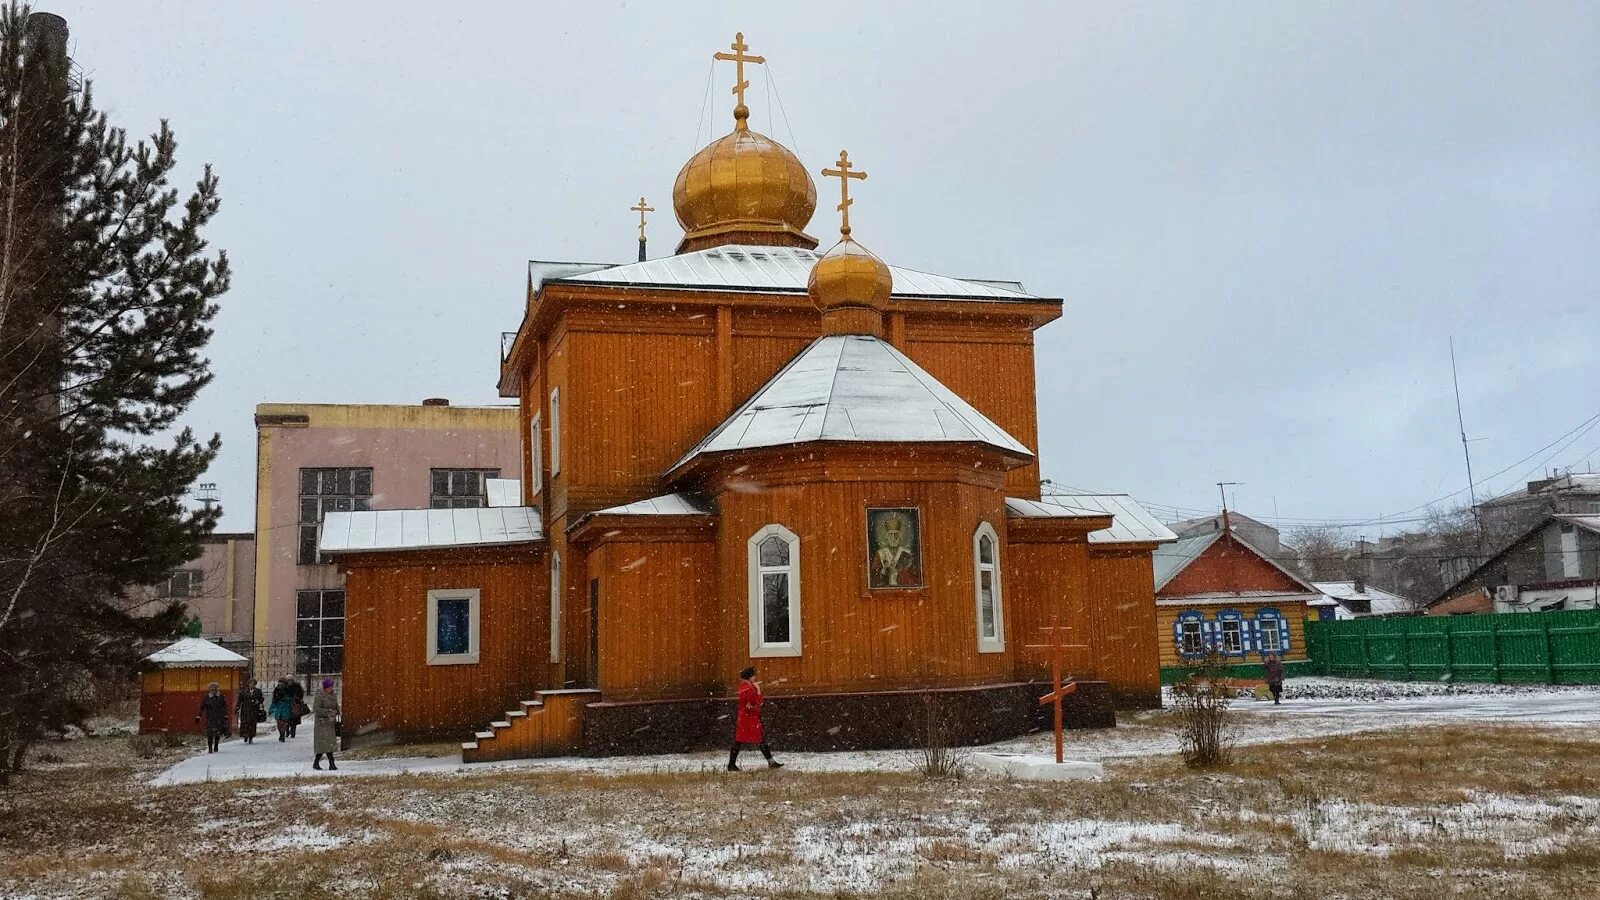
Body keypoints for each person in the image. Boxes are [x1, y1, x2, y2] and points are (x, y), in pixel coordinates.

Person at [727, 666, 781, 772]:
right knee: (757, 739)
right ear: (749, 676)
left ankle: (732, 764)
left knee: (742, 741)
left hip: (748, 718)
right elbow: (756, 701)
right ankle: (771, 762)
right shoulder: (746, 687)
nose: (755, 677)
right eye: (753, 675)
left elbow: (754, 702)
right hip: (748, 719)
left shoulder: (746, 686)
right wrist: (758, 690)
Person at [312, 677, 341, 771]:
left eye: (331, 686)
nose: (331, 688)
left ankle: (319, 763)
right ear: (325, 688)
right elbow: (316, 709)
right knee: (325, 745)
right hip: (322, 724)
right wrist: (328, 712)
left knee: (328, 745)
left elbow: (336, 706)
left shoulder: (333, 695)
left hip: (330, 724)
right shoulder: (320, 696)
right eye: (329, 687)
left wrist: (337, 711)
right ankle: (330, 764)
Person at [194, 682, 229, 754]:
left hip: (219, 717)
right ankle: (210, 748)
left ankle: (216, 745)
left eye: (214, 690)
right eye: (211, 690)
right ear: (209, 690)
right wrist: (198, 716)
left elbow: (224, 706)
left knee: (217, 733)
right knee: (209, 733)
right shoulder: (206, 697)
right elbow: (202, 707)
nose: (213, 691)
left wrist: (225, 715)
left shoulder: (221, 696)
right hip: (210, 718)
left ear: (216, 690)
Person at [236, 678, 265, 744]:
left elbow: (261, 699)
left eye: (253, 684)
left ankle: (251, 737)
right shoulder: (244, 691)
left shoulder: (258, 691)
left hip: (254, 710)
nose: (252, 685)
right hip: (245, 710)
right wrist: (237, 708)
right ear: (248, 684)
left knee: (252, 724)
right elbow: (239, 700)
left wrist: (257, 701)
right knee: (245, 723)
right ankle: (245, 735)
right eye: (250, 684)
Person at [269, 675, 297, 742]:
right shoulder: (277, 689)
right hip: (278, 707)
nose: (281, 683)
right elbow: (274, 700)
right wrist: (271, 709)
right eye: (280, 682)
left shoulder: (288, 689)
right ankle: (281, 733)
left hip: (286, 707)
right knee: (279, 722)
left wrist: (287, 700)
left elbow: (291, 698)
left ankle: (283, 734)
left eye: (282, 682)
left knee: (284, 722)